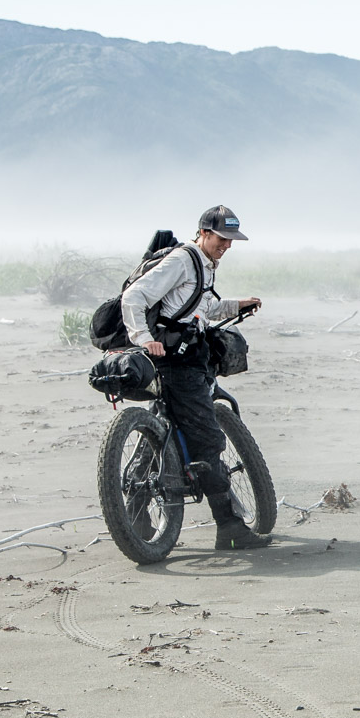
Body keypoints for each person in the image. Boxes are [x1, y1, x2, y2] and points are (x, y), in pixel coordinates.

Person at [120, 205, 269, 550]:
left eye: (231, 240)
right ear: (203, 232)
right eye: (222, 238)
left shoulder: (204, 264)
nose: (227, 246)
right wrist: (144, 339)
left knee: (172, 424)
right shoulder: (183, 260)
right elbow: (134, 297)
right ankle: (229, 526)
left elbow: (197, 309)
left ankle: (136, 512)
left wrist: (236, 305)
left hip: (188, 356)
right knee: (207, 439)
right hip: (175, 361)